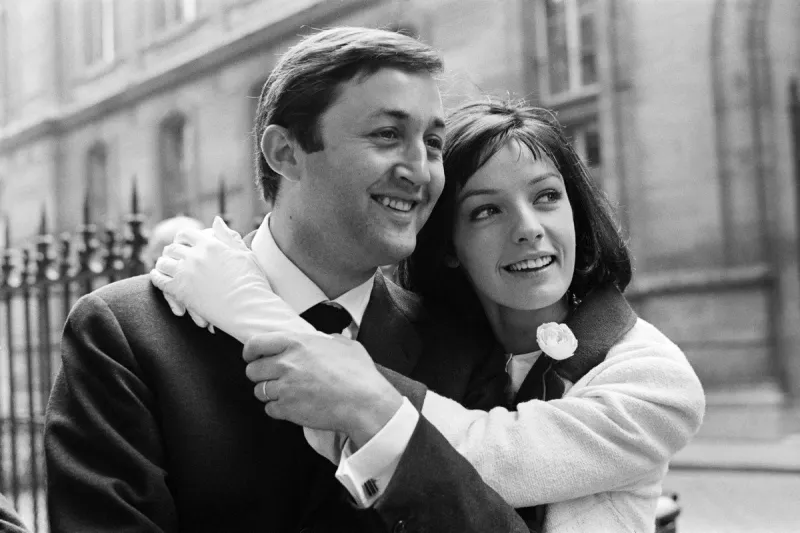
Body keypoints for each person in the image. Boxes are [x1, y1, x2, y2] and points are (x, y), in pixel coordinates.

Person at [44, 27, 526, 532]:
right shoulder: (125, 335)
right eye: (387, 135)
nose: (420, 171)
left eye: (431, 142)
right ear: (286, 153)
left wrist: (379, 414)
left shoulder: (462, 349)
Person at [152, 100, 705, 532]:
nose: (528, 227)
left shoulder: (657, 381)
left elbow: (484, 456)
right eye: (486, 210)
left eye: (546, 197)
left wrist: (246, 307)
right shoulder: (439, 346)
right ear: (445, 245)